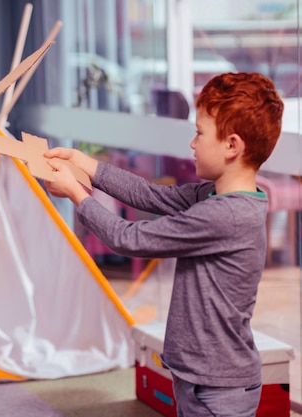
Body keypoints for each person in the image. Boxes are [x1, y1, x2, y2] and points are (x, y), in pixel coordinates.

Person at [44, 72, 283, 416]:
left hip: (218, 388)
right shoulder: (215, 197)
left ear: (232, 145)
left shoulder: (224, 215)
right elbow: (150, 195)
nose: (192, 143)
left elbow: (129, 238)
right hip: (201, 378)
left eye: (199, 133)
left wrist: (77, 195)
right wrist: (85, 165)